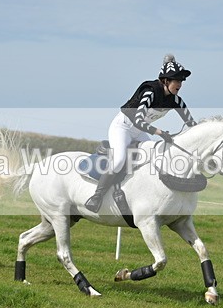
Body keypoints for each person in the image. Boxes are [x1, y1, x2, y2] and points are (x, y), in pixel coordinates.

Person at [84, 54, 198, 213]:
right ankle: (97, 196)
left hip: (139, 132)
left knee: (154, 157)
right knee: (119, 160)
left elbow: (191, 124)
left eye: (181, 81)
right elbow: (137, 120)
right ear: (165, 81)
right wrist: (159, 132)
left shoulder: (176, 100)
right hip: (122, 127)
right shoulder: (150, 92)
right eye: (176, 80)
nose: (180, 84)